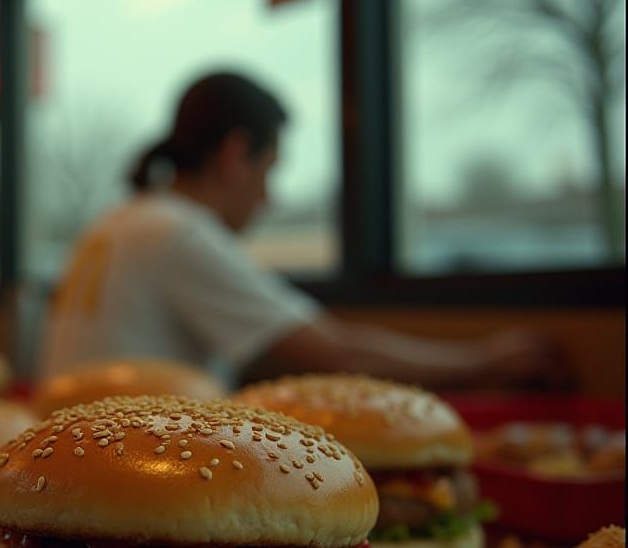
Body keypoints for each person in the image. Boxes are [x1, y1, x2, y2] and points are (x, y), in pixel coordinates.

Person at [39, 71, 563, 390]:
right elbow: (340, 354)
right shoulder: (177, 232)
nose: (270, 198)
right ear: (235, 154)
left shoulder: (119, 221)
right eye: (270, 171)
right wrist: (488, 360)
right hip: (139, 473)